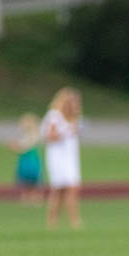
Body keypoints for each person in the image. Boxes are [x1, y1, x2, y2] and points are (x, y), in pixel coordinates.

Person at [41, 87, 83, 229]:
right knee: (58, 190)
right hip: (57, 157)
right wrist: (65, 132)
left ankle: (74, 220)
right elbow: (49, 137)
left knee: (72, 188)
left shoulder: (75, 119)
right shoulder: (54, 116)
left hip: (70, 157)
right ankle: (52, 222)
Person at [8, 113, 43, 205]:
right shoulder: (27, 136)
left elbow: (25, 146)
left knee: (32, 179)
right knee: (26, 180)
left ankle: (34, 196)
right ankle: (27, 196)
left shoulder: (34, 136)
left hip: (31, 161)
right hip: (27, 161)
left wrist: (15, 147)